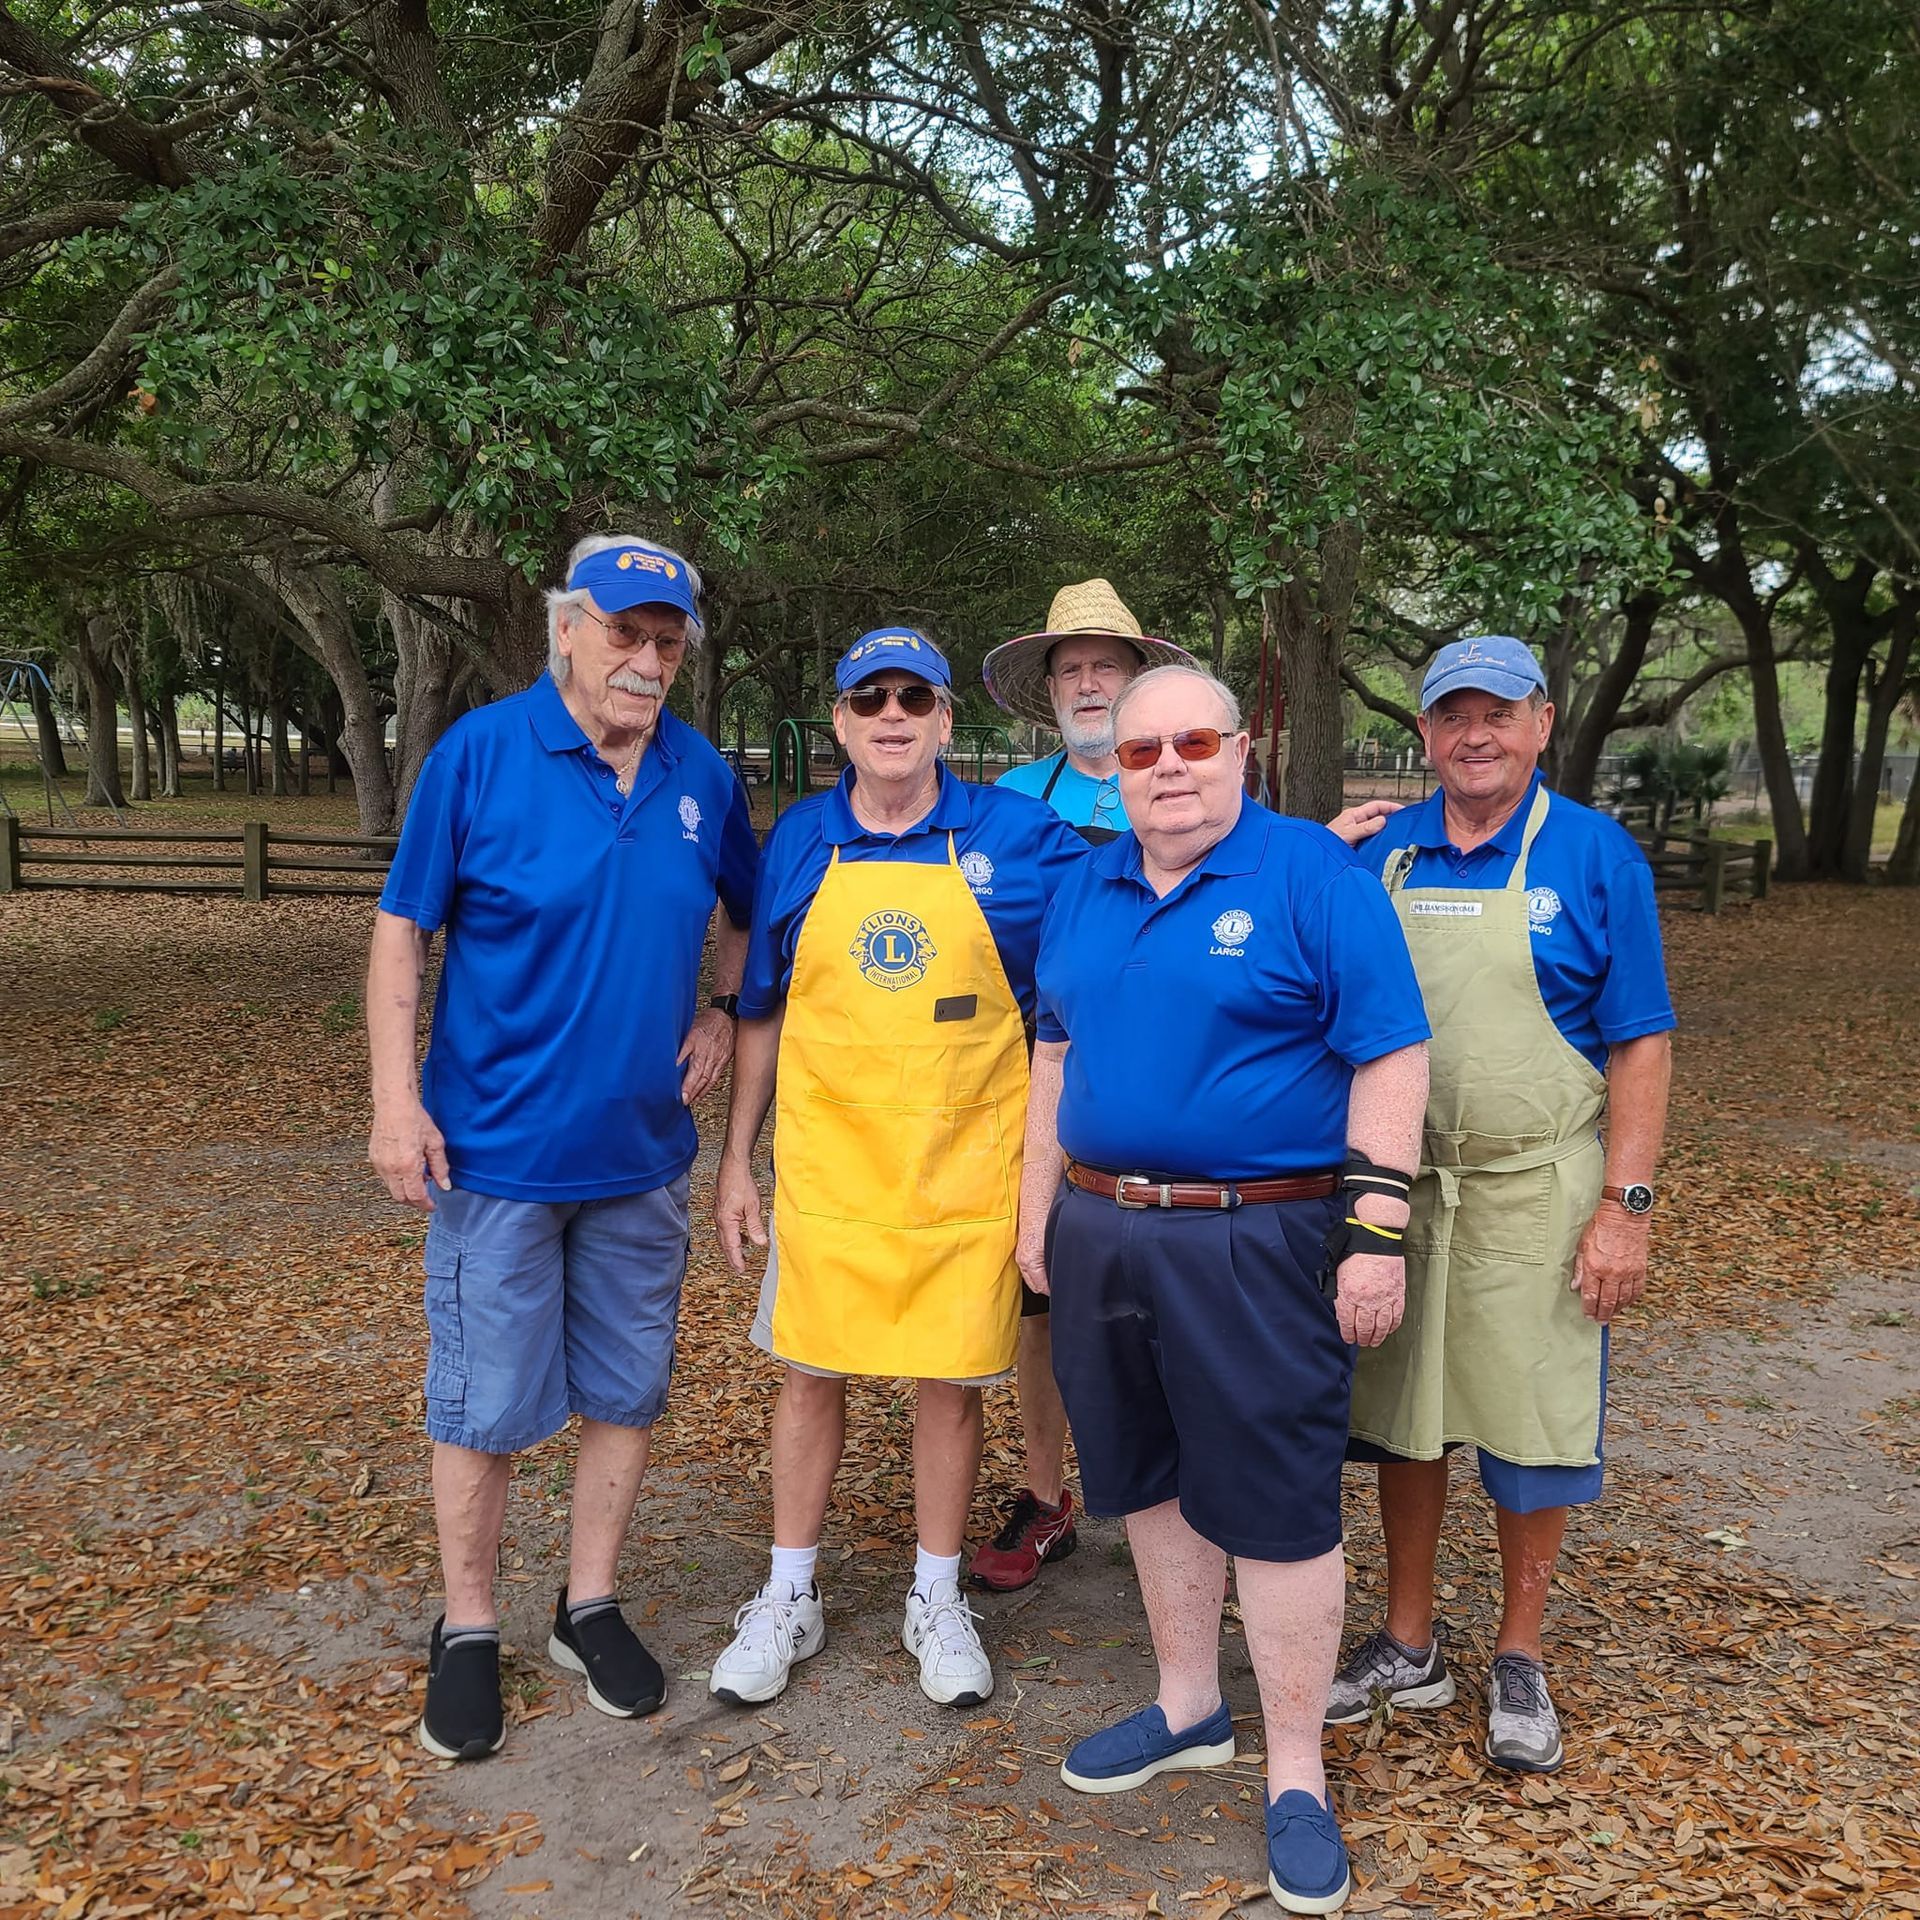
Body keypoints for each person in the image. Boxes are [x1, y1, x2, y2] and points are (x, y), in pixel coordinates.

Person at [1019, 664, 1431, 1915]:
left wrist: (1376, 1230)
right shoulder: (1082, 885)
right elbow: (1055, 1047)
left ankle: (1296, 1770)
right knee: (1145, 1475)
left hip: (1261, 1239)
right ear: (1117, 768)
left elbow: (1394, 1053)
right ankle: (1189, 1703)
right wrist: (1038, 1207)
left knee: (1279, 1501)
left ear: (1242, 747)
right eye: (1143, 751)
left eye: (1194, 741)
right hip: (1105, 1230)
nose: (1170, 767)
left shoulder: (1314, 875)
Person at [366, 533, 757, 1762]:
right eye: (627, 633)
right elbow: (399, 933)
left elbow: (749, 918)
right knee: (482, 1406)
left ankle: (587, 1607)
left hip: (643, 1159)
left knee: (624, 1393)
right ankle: (469, 1625)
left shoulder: (701, 775)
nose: (646, 660)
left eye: (667, 641)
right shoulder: (480, 754)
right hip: (495, 1156)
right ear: (568, 628)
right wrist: (393, 1097)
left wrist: (718, 1012)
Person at [976, 582, 1402, 1595]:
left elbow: (1337, 994)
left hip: (1239, 1184)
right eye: (1070, 668)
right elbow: (1050, 1019)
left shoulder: (1263, 838)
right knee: (1057, 1344)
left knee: (1239, 1426)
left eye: (1105, 665)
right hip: (1072, 1130)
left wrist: (1378, 1221)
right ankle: (1049, 1493)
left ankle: (1249, 1606)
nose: (1089, 682)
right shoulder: (1017, 812)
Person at [710, 627, 1085, 1710]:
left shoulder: (1020, 837)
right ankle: (789, 1594)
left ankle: (935, 1596)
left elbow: (1139, 897)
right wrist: (736, 1161)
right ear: (838, 721)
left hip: (964, 1169)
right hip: (829, 1171)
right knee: (810, 1372)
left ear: (945, 721)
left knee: (950, 1381)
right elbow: (763, 1012)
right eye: (868, 698)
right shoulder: (800, 843)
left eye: (913, 698)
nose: (890, 716)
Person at [1337, 635, 1675, 1776]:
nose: (1473, 736)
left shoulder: (1592, 855)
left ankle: (1520, 1654)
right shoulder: (1385, 855)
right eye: (1451, 717)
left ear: (1541, 723)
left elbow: (1641, 1043)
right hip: (1407, 1180)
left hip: (1539, 1183)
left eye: (1498, 714)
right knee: (1405, 1412)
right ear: (1424, 735)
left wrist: (1625, 1207)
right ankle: (1410, 1637)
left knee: (1531, 1426)